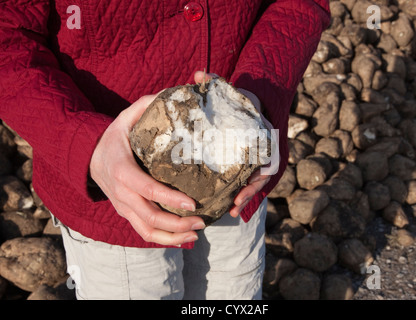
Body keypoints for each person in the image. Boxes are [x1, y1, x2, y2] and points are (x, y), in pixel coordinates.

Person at [0, 0, 330, 299]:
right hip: (112, 201)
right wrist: (83, 141)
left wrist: (257, 92)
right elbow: (7, 34)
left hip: (239, 172)